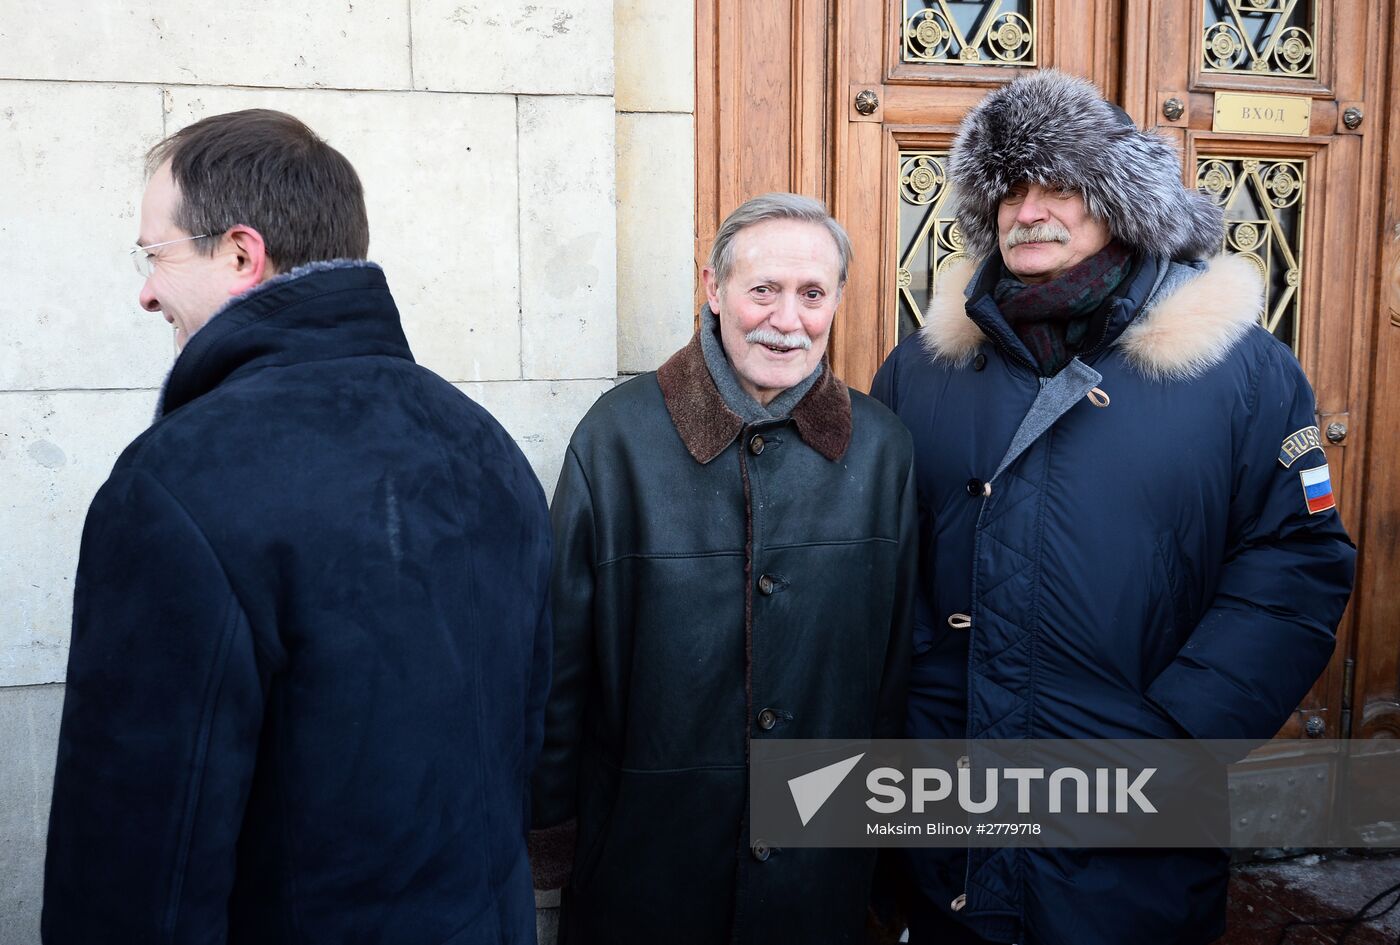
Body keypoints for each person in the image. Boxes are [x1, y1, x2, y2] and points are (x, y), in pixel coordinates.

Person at [42, 109, 552, 944]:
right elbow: (522, 745)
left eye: (155, 255)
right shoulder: (483, 442)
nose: (145, 291)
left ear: (242, 254)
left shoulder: (175, 484)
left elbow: (137, 862)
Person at [871, 70, 1355, 945]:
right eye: (1009, 190)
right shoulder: (923, 368)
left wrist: (1179, 731)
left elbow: (1297, 559)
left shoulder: (1239, 369)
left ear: (1117, 203)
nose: (1031, 210)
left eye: (1060, 185)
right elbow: (882, 556)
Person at [530, 193, 917, 943]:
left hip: (821, 871)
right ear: (714, 289)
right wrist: (551, 847)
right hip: (645, 868)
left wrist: (886, 860)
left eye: (811, 294)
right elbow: (559, 665)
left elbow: (892, 673)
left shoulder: (882, 449)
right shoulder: (618, 438)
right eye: (762, 290)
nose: (786, 318)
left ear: (838, 300)